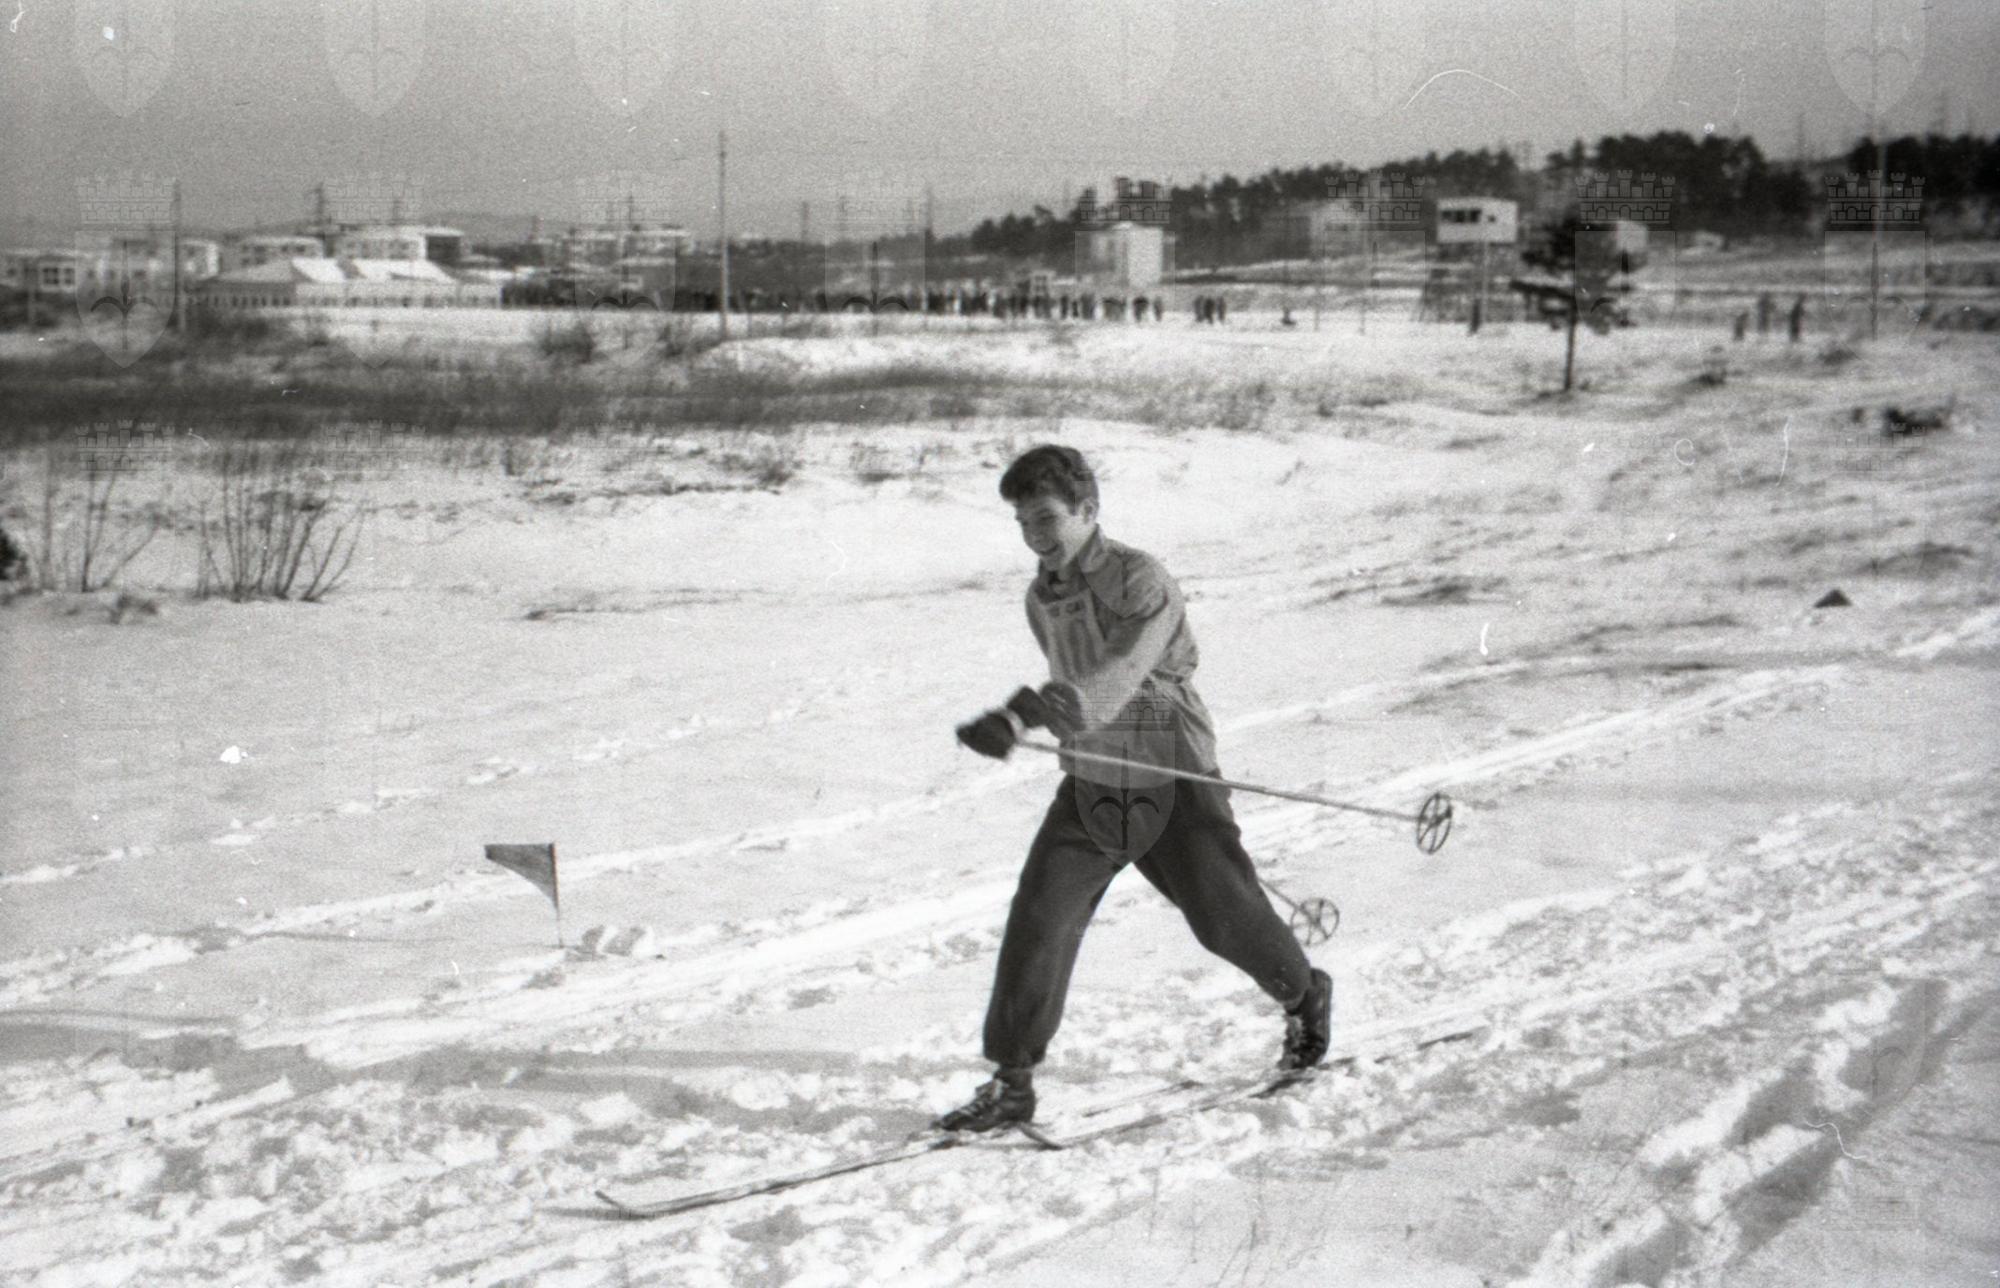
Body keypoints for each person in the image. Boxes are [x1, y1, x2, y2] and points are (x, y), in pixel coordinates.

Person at [936, 445, 1331, 1133]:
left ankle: (1304, 995)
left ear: (1088, 510)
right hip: (1092, 779)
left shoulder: (1141, 579)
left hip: (1169, 771)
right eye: (1023, 523)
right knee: (1040, 920)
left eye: (1047, 518)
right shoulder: (1041, 595)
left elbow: (1120, 672)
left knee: (1225, 921)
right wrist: (1016, 714)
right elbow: (1068, 676)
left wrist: (1028, 717)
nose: (1034, 536)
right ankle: (1012, 1083)